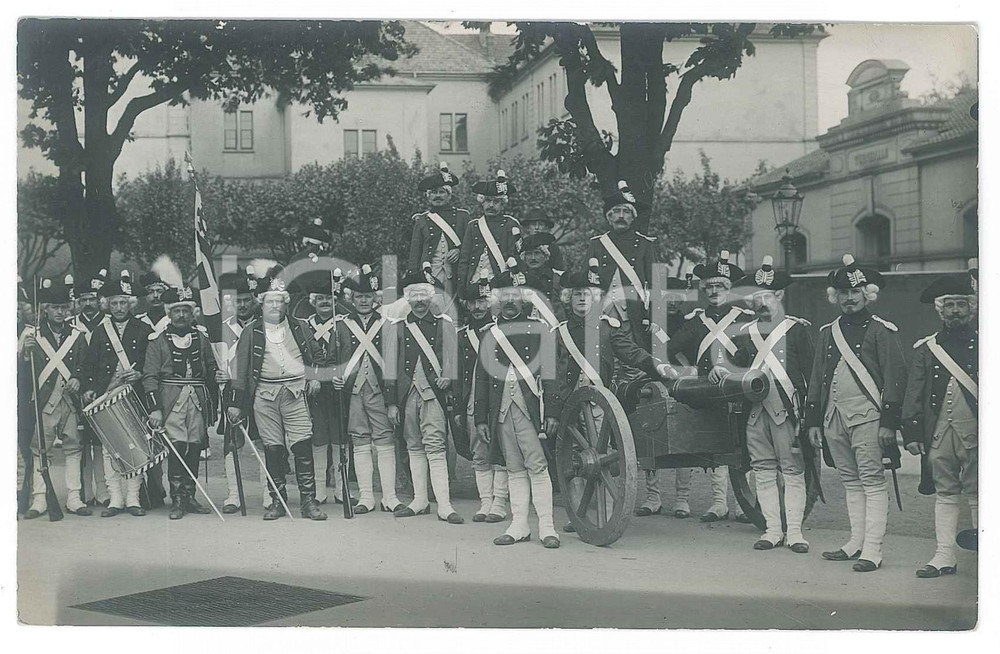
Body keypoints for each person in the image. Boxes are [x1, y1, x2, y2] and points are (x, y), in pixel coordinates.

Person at [805, 254, 907, 573]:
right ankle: (855, 541)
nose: (850, 298)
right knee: (850, 481)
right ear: (835, 297)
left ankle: (873, 549)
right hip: (834, 418)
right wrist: (812, 421)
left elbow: (895, 378)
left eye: (856, 292)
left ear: (867, 294)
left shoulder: (881, 331)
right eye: (843, 293)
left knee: (872, 481)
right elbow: (817, 379)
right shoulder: (827, 333)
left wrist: (889, 424)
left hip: (869, 417)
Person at [226, 276, 328, 521]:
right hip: (264, 396)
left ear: (286, 304)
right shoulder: (252, 331)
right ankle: (277, 501)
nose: (274, 306)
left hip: (295, 393)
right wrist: (234, 403)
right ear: (261, 304)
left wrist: (315, 378)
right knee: (273, 449)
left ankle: (308, 502)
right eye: (269, 302)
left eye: (279, 302)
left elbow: (318, 356)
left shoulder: (301, 326)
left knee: (303, 445)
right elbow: (239, 371)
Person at [475, 262, 560, 548]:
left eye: (515, 295)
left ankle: (547, 526)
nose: (510, 301)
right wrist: (480, 419)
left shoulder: (540, 330)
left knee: (537, 465)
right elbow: (482, 378)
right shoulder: (489, 332)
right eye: (504, 295)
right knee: (513, 467)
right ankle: (519, 524)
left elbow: (551, 376)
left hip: (530, 406)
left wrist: (553, 412)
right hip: (500, 408)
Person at [733, 256, 815, 552]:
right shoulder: (745, 334)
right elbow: (737, 369)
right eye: (756, 297)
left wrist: (809, 415)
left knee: (793, 471)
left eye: (766, 296)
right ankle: (772, 530)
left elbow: (811, 376)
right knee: (763, 471)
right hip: (755, 415)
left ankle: (794, 532)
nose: (761, 302)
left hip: (786, 412)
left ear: (779, 296)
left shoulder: (796, 330)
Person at [667, 250, 754, 522]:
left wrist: (731, 369)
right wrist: (688, 370)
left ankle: (744, 504)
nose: (715, 291)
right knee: (718, 447)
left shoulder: (744, 318)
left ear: (729, 289)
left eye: (720, 286)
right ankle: (719, 503)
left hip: (740, 391)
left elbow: (753, 353)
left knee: (744, 447)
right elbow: (669, 349)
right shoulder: (696, 320)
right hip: (708, 393)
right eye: (710, 286)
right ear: (704, 290)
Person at [902, 276, 978, 577]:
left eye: (961, 304)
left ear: (970, 308)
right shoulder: (928, 348)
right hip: (939, 433)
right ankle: (944, 555)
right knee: (945, 492)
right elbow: (914, 391)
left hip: (977, 431)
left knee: (978, 492)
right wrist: (912, 432)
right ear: (940, 310)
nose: (956, 311)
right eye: (950, 305)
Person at [386, 265, 463, 524]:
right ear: (407, 298)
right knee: (414, 447)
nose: (419, 301)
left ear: (430, 297)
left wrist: (448, 376)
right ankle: (420, 501)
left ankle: (444, 504)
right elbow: (391, 368)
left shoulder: (445, 325)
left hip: (433, 394)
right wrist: (391, 403)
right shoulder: (398, 328)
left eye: (423, 296)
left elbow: (455, 359)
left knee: (436, 447)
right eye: (414, 296)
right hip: (407, 395)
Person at [143, 285, 222, 520]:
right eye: (176, 311)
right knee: (177, 447)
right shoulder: (157, 342)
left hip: (196, 399)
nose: (181, 315)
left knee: (194, 446)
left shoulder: (202, 339)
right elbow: (150, 376)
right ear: (169, 313)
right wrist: (155, 408)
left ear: (192, 313)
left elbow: (210, 368)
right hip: (170, 400)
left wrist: (217, 375)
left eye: (185, 311)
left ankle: (189, 495)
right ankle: (177, 499)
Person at [331, 264, 404, 514]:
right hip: (352, 393)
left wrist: (392, 401)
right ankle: (365, 497)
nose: (363, 301)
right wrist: (335, 378)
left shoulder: (386, 325)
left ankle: (390, 497)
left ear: (376, 298)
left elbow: (392, 365)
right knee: (360, 442)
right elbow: (334, 359)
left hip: (379, 391)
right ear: (352, 298)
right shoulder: (340, 325)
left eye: (368, 297)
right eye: (359, 296)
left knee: (384, 441)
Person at [80, 270, 153, 517]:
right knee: (109, 448)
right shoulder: (101, 332)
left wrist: (140, 373)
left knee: (134, 444)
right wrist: (90, 388)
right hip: (106, 397)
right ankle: (115, 499)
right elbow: (90, 364)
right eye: (114, 303)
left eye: (123, 302)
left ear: (130, 303)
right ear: (107, 305)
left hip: (133, 396)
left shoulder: (143, 329)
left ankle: (133, 497)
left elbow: (150, 361)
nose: (119, 307)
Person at [20, 275, 90, 518]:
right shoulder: (32, 336)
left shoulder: (77, 335)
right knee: (41, 449)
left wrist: (78, 378)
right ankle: (39, 499)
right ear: (46, 309)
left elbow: (84, 364)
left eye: (64, 308)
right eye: (55, 308)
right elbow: (22, 373)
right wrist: (25, 354)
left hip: (69, 401)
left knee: (73, 447)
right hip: (44, 400)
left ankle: (74, 497)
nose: (60, 313)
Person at [638, 275, 697, 519]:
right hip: (655, 383)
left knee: (684, 440)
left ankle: (682, 499)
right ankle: (653, 497)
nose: (672, 302)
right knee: (651, 437)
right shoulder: (647, 324)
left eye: (677, 297)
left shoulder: (690, 323)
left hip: (683, 383)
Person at [457, 274, 508, 523]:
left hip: (499, 398)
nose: (477, 307)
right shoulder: (462, 335)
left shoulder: (501, 331)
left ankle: (499, 502)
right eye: (472, 302)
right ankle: (485, 502)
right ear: (466, 305)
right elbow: (458, 375)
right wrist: (458, 408)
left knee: (502, 449)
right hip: (472, 400)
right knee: (480, 452)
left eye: (482, 301)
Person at [218, 268, 267, 514]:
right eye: (238, 301)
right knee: (232, 443)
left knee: (263, 441)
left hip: (259, 389)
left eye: (247, 300)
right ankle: (234, 496)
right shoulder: (223, 329)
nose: (243, 305)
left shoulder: (263, 326)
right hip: (232, 390)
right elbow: (215, 359)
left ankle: (269, 494)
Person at [302, 274, 349, 507]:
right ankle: (319, 489)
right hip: (315, 389)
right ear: (313, 300)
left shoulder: (344, 324)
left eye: (328, 299)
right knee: (318, 438)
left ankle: (341, 490)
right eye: (319, 298)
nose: (324, 303)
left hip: (339, 389)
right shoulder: (304, 325)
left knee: (340, 438)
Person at [71, 269, 110, 508]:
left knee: (101, 441)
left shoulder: (107, 325)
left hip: (101, 388)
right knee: (79, 441)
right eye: (83, 299)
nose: (88, 303)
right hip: (76, 390)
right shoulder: (72, 325)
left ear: (99, 300)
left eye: (92, 299)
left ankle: (103, 490)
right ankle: (83, 491)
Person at [408, 161, 468, 313]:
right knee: (431, 311)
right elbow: (415, 253)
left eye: (442, 192)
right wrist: (413, 279)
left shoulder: (462, 216)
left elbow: (471, 245)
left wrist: (459, 250)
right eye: (433, 192)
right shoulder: (422, 220)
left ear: (449, 195)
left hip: (454, 274)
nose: (437, 196)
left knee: (454, 312)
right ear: (428, 196)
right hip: (430, 273)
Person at [457, 170, 523, 287]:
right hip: (475, 282)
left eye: (496, 201)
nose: (491, 205)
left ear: (503, 204)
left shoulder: (511, 224)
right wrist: (462, 288)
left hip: (501, 282)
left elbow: (516, 256)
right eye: (488, 201)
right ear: (482, 202)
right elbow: (464, 260)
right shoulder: (473, 226)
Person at [520, 208, 565, 272]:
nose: (537, 227)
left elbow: (558, 269)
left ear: (545, 227)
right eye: (533, 224)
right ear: (528, 227)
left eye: (540, 224)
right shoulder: (522, 246)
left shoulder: (553, 248)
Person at [137, 272, 171, 338]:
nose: (155, 296)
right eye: (150, 292)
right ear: (145, 296)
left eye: (159, 291)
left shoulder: (172, 319)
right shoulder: (138, 321)